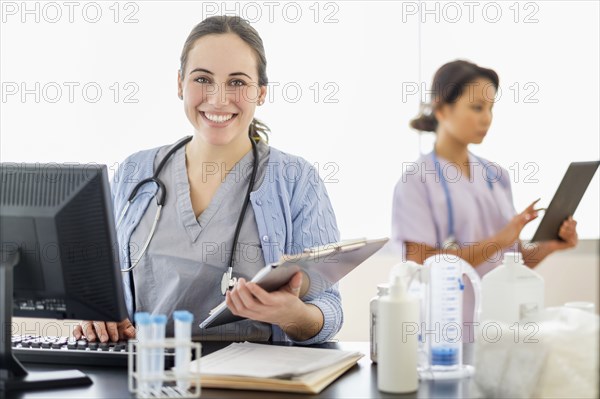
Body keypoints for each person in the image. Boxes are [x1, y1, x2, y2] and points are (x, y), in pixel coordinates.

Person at [74, 16, 342, 345]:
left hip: (253, 384)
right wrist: (97, 318)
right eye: (203, 78)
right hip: (149, 377)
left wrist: (290, 314)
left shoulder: (296, 180)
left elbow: (329, 309)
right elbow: (101, 292)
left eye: (237, 82)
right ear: (179, 84)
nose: (217, 98)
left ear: (260, 93)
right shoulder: (134, 172)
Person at [392, 60, 578, 324]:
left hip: (500, 327)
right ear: (442, 109)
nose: (487, 118)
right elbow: (420, 266)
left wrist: (551, 245)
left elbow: (513, 263)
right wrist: (500, 239)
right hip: (446, 331)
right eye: (477, 107)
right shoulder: (415, 181)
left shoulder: (496, 175)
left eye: (491, 108)